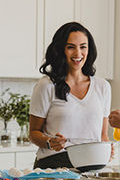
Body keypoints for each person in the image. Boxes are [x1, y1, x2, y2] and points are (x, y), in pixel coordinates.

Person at [29, 22, 112, 168]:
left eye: (83, 47)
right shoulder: (47, 85)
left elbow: (103, 135)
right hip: (54, 166)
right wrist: (50, 142)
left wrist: (106, 149)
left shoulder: (102, 86)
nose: (78, 54)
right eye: (70, 47)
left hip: (92, 166)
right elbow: (34, 133)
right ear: (61, 50)